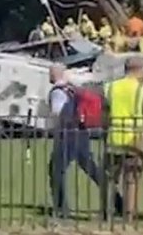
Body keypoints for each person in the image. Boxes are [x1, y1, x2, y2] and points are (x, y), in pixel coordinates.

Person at [47, 64, 110, 219]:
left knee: (56, 170)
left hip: (67, 135)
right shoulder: (72, 89)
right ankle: (117, 201)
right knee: (92, 169)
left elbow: (57, 112)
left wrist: (50, 127)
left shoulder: (57, 92)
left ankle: (61, 207)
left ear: (54, 74)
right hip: (81, 132)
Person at [103, 56, 143, 221]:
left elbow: (104, 113)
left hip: (114, 139)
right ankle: (129, 214)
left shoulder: (110, 87)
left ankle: (107, 212)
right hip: (135, 141)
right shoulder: (141, 90)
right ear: (139, 69)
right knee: (131, 180)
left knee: (110, 179)